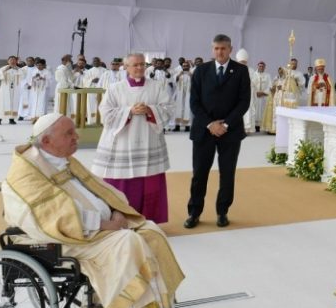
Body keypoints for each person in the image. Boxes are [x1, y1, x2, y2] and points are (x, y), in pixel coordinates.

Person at [2, 113, 190, 308]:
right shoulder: (27, 171)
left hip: (98, 228)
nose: (76, 137)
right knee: (128, 242)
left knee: (151, 232)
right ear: (47, 141)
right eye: (69, 133)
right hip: (68, 238)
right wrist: (106, 224)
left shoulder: (61, 159)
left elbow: (98, 189)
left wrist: (116, 210)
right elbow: (52, 217)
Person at [92, 53, 173, 224]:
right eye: (135, 65)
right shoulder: (115, 88)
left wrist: (150, 110)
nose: (140, 68)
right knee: (121, 181)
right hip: (123, 144)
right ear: (126, 67)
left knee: (149, 181)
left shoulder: (156, 87)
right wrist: (129, 111)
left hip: (149, 141)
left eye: (142, 64)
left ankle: (149, 220)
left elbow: (169, 108)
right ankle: (121, 220)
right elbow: (105, 114)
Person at [185, 34, 251, 229]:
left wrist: (226, 124)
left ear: (230, 49)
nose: (219, 52)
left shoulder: (240, 71)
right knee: (199, 174)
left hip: (230, 132)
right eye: (216, 48)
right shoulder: (201, 71)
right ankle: (194, 212)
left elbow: (244, 101)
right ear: (212, 49)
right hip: (204, 131)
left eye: (223, 48)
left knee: (227, 174)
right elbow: (194, 102)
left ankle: (222, 211)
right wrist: (210, 124)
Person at [0, 56, 23, 125]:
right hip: (4, 90)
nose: (12, 61)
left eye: (14, 60)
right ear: (8, 61)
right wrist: (4, 70)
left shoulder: (18, 69)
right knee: (1, 104)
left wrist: (18, 70)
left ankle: (11, 119)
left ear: (16, 61)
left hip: (14, 90)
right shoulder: (4, 68)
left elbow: (24, 76)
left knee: (13, 104)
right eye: (11, 60)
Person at [236, 49, 257, 133]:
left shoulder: (251, 70)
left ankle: (247, 129)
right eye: (241, 62)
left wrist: (248, 83)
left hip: (248, 93)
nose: (242, 63)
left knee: (247, 109)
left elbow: (255, 81)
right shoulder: (234, 69)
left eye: (243, 62)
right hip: (237, 93)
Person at [262, 67, 285, 134]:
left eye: (281, 72)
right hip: (275, 97)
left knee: (280, 113)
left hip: (282, 98)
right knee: (274, 113)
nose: (280, 73)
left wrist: (282, 88)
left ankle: (279, 129)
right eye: (279, 71)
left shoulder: (286, 80)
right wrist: (272, 89)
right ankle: (273, 129)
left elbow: (288, 88)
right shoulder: (276, 78)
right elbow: (273, 86)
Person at [173, 60, 193, 132]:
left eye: (187, 66)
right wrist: (179, 75)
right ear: (182, 67)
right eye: (184, 66)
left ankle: (187, 126)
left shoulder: (192, 73)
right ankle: (177, 125)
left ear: (189, 66)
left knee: (188, 108)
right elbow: (174, 81)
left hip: (188, 93)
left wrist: (191, 76)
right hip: (179, 94)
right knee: (178, 108)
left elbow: (196, 82)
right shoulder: (178, 73)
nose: (185, 67)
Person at [253, 61, 272, 132]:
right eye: (260, 66)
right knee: (255, 110)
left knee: (262, 110)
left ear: (264, 67)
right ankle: (254, 125)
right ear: (257, 66)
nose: (261, 67)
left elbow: (270, 85)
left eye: (262, 66)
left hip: (264, 96)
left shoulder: (268, 75)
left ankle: (262, 125)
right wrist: (256, 92)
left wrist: (263, 93)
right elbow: (251, 85)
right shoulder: (253, 75)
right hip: (255, 96)